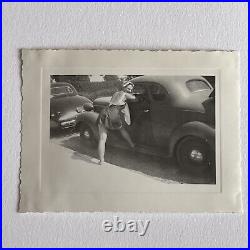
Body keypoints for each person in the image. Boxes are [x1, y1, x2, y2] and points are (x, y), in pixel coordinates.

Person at [97, 81, 136, 165]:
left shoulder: (115, 93)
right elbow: (135, 99)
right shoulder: (125, 94)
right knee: (122, 130)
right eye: (128, 88)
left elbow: (115, 103)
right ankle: (132, 145)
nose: (129, 90)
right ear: (124, 87)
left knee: (102, 139)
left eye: (131, 89)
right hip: (113, 115)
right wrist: (133, 94)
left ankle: (101, 160)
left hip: (103, 112)